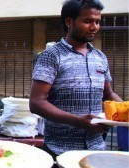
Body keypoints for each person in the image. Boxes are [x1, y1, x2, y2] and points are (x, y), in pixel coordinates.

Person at [29, 0, 123, 159]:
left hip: (97, 150)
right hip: (59, 152)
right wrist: (77, 121)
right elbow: (36, 103)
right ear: (69, 21)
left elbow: (108, 94)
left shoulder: (100, 57)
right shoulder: (52, 56)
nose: (94, 27)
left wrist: (125, 111)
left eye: (97, 22)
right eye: (88, 21)